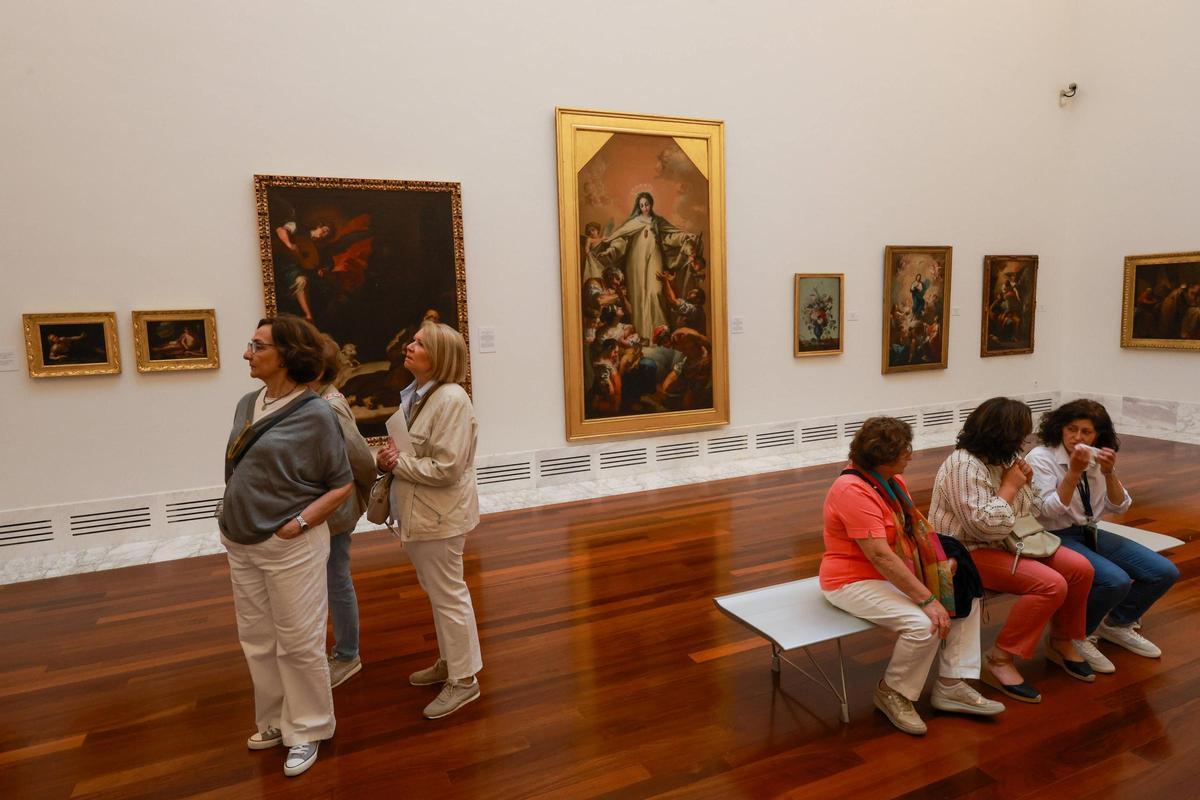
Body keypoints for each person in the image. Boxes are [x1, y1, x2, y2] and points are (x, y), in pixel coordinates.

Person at [219, 315, 353, 777]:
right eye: (250, 344)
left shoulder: (316, 412)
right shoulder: (246, 403)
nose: (246, 354)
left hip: (289, 543)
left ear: (288, 355)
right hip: (242, 540)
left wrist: (296, 523)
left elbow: (341, 484)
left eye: (257, 346)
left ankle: (310, 728)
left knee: (298, 642)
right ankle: (275, 720)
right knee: (258, 640)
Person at [821, 417, 1003, 736]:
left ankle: (951, 684)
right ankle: (893, 691)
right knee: (924, 624)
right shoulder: (852, 490)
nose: (910, 454)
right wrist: (927, 598)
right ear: (884, 457)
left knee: (965, 589)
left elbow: (909, 535)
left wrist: (939, 565)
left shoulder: (892, 481)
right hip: (852, 580)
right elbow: (878, 555)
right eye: (905, 448)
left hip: (892, 571)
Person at [929, 397, 1095, 703]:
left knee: (1080, 568)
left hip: (1008, 540)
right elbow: (984, 527)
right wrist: (1011, 487)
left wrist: (1020, 485)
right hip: (966, 550)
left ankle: (1062, 640)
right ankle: (1000, 659)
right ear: (999, 434)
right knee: (1050, 584)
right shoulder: (963, 465)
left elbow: (1025, 509)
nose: (1024, 440)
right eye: (1019, 433)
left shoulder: (1005, 458)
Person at [376, 322, 483, 719]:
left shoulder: (451, 399)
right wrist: (394, 457)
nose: (409, 345)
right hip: (424, 513)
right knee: (441, 594)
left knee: (449, 595)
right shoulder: (424, 396)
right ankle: (451, 662)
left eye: (419, 343)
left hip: (439, 516)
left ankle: (464, 680)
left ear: (438, 356)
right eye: (413, 340)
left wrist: (397, 462)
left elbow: (448, 467)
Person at [1026, 399, 1179, 672]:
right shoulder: (1041, 458)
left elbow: (1120, 506)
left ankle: (1117, 624)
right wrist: (1073, 472)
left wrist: (1109, 473)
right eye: (1072, 429)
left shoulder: (1097, 458)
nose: (1077, 438)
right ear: (1060, 428)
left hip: (1088, 531)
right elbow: (1047, 512)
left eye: (1087, 432)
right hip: (1052, 534)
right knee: (1114, 581)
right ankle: (1074, 636)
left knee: (1164, 571)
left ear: (1098, 435)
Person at [309, 337, 378, 689]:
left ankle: (348, 654)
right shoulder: (318, 400)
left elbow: (361, 459)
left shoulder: (330, 405)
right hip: (324, 508)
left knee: (337, 579)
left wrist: (364, 493)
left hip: (334, 510)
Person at [585, 192, 700, 337]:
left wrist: (684, 237)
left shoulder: (658, 221)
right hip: (635, 262)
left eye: (646, 204)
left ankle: (659, 334)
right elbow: (620, 241)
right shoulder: (632, 223)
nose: (644, 207)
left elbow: (670, 236)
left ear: (651, 204)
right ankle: (641, 335)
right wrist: (610, 251)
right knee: (638, 294)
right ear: (638, 207)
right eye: (641, 205)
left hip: (654, 259)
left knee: (655, 292)